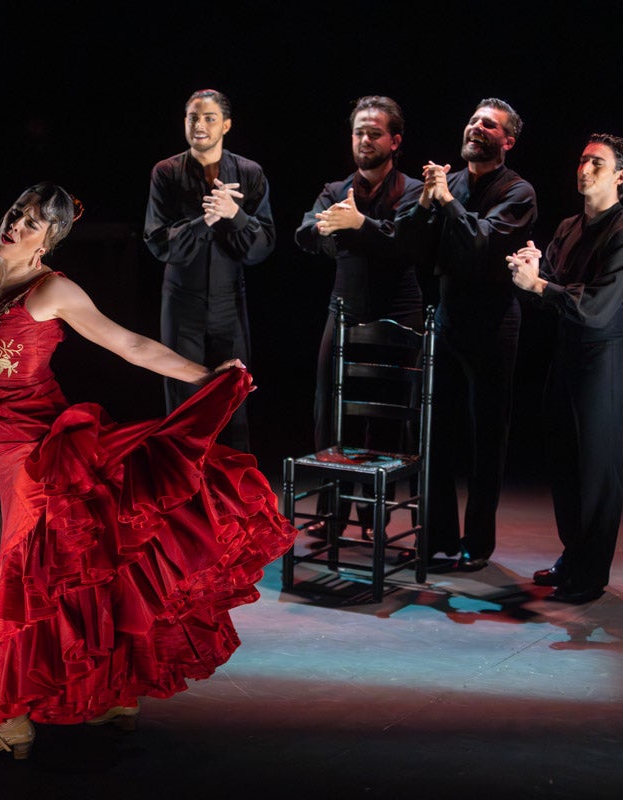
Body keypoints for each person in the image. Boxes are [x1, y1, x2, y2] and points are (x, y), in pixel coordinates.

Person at [0, 183, 297, 760]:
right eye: (13, 215)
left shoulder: (53, 291)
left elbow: (128, 344)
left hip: (41, 456)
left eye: (31, 224)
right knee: (84, 575)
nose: (15, 227)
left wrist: (205, 377)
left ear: (49, 239)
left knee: (29, 581)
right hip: (6, 453)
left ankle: (13, 721)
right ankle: (118, 697)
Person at [394, 98, 537, 571]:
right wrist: (423, 202)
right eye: (473, 119)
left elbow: (481, 245)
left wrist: (448, 203)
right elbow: (414, 246)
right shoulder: (448, 182)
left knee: (485, 437)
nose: (476, 127)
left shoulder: (519, 192)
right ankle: (438, 538)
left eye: (489, 125)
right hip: (449, 316)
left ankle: (478, 541)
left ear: (506, 141)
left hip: (493, 323)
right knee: (434, 432)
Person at [506, 134, 623, 604]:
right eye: (582, 159)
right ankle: (574, 556)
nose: (583, 168)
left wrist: (541, 286)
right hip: (567, 356)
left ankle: (590, 575)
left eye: (596, 163)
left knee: (596, 473)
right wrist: (534, 267)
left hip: (602, 360)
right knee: (564, 463)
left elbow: (596, 309)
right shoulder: (568, 225)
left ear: (620, 176)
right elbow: (559, 289)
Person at [144, 89, 276, 452]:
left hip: (229, 304)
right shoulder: (167, 173)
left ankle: (232, 499)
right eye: (193, 118)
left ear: (227, 125)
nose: (199, 125)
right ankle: (184, 497)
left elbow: (262, 246)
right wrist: (205, 220)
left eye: (209, 118)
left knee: (233, 399)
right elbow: (158, 242)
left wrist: (236, 216)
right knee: (183, 402)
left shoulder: (249, 173)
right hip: (181, 303)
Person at [294, 94, 424, 454]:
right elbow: (304, 232)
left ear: (395, 142)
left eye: (374, 134)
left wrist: (358, 224)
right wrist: (332, 229)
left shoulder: (413, 191)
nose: (365, 140)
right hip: (345, 312)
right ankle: (333, 494)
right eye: (358, 133)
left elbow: (406, 242)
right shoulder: (336, 191)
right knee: (329, 404)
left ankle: (372, 509)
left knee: (385, 412)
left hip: (398, 313)